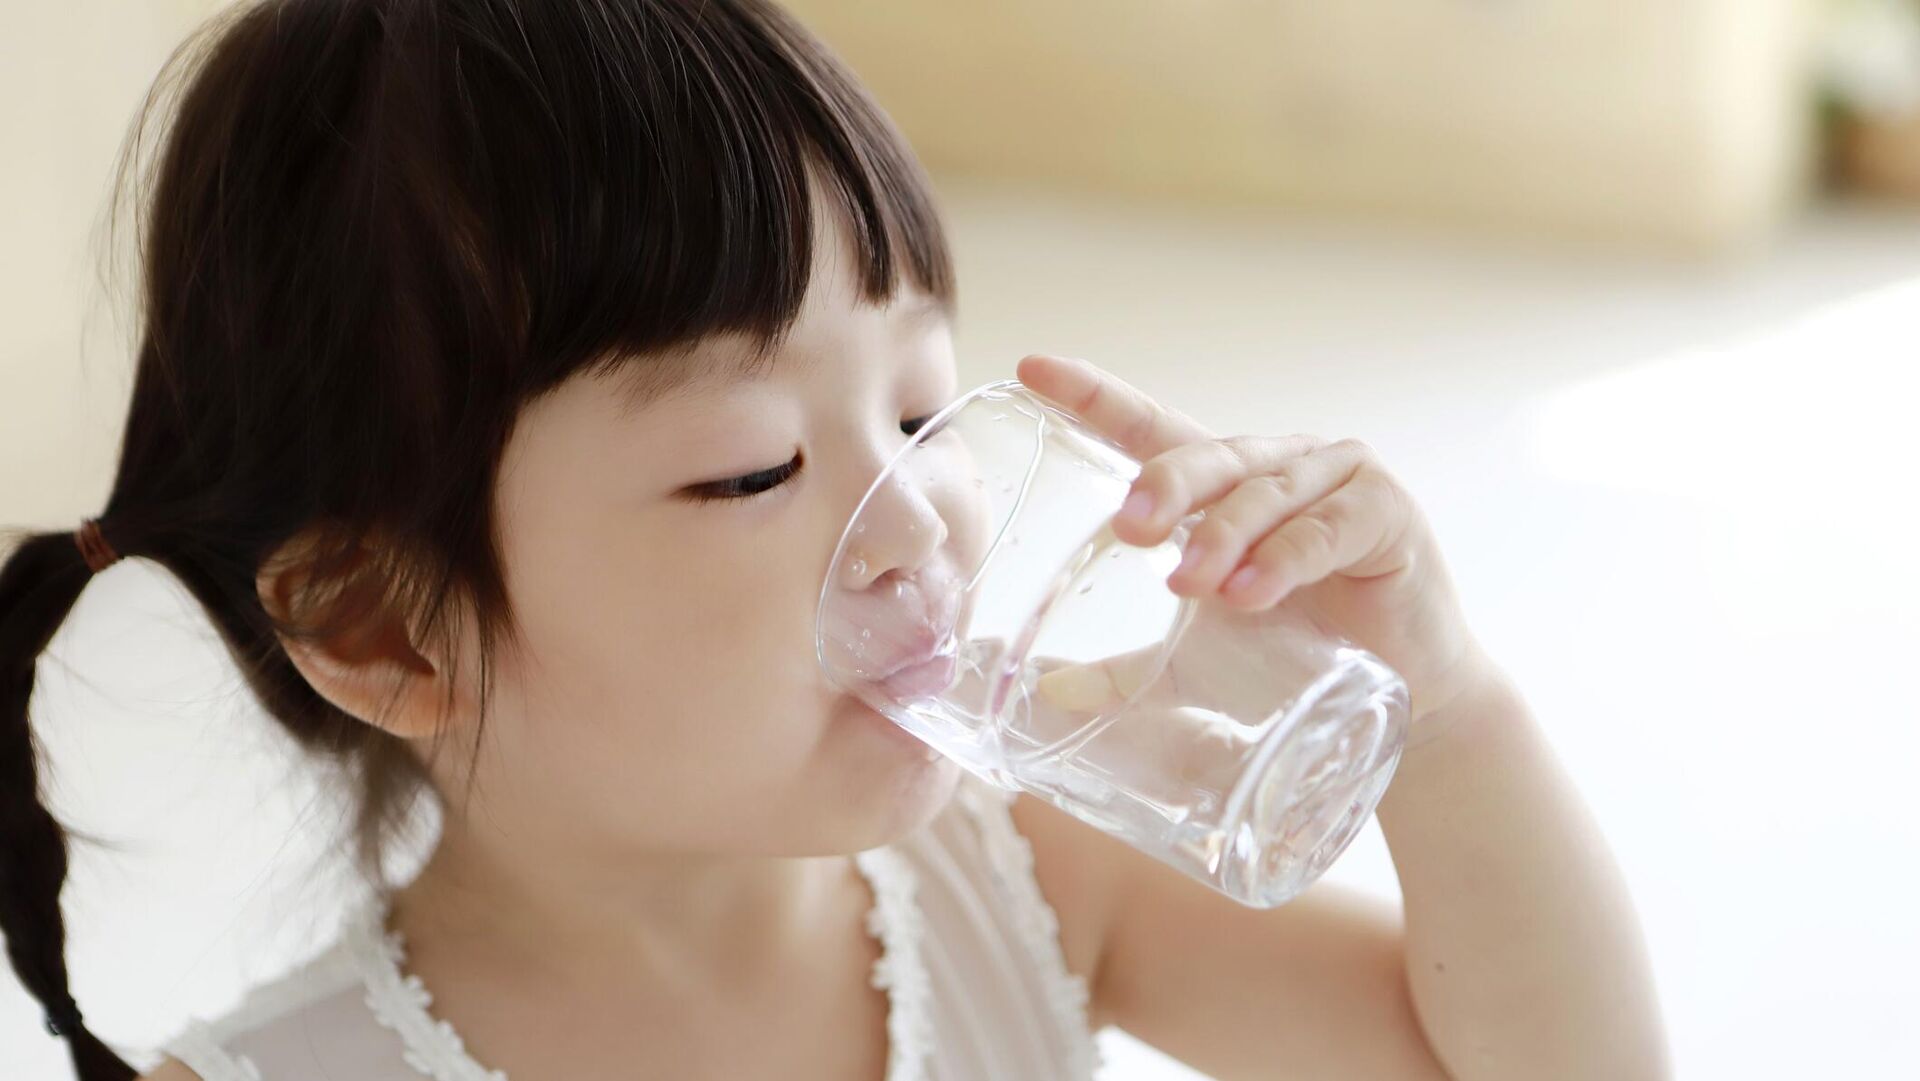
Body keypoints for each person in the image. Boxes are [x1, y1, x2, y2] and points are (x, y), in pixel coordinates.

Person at [0, 1, 1670, 1078]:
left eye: (927, 411)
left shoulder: (1029, 879)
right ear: (388, 633)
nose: (921, 516)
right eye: (752, 468)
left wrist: (1443, 706)